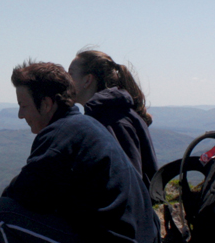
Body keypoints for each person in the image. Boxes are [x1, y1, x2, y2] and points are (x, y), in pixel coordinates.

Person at [0, 60, 161, 243]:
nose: (21, 115)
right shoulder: (84, 126)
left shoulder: (59, 137)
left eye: (23, 106)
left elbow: (17, 195)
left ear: (47, 104)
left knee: (0, 215)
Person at [68, 49, 158, 191]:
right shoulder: (109, 113)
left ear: (87, 80)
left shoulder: (112, 120)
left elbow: (129, 182)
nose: (66, 80)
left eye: (71, 74)